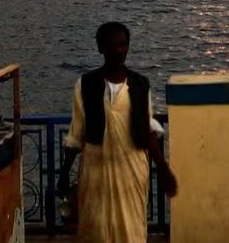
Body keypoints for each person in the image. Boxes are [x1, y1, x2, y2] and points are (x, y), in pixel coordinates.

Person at [62, 22, 177, 243]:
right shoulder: (86, 85)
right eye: (112, 46)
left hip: (131, 172)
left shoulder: (140, 85)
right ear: (100, 48)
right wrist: (65, 173)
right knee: (97, 231)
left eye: (123, 45)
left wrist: (163, 169)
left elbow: (147, 130)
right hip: (96, 174)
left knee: (131, 230)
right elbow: (77, 134)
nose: (118, 51)